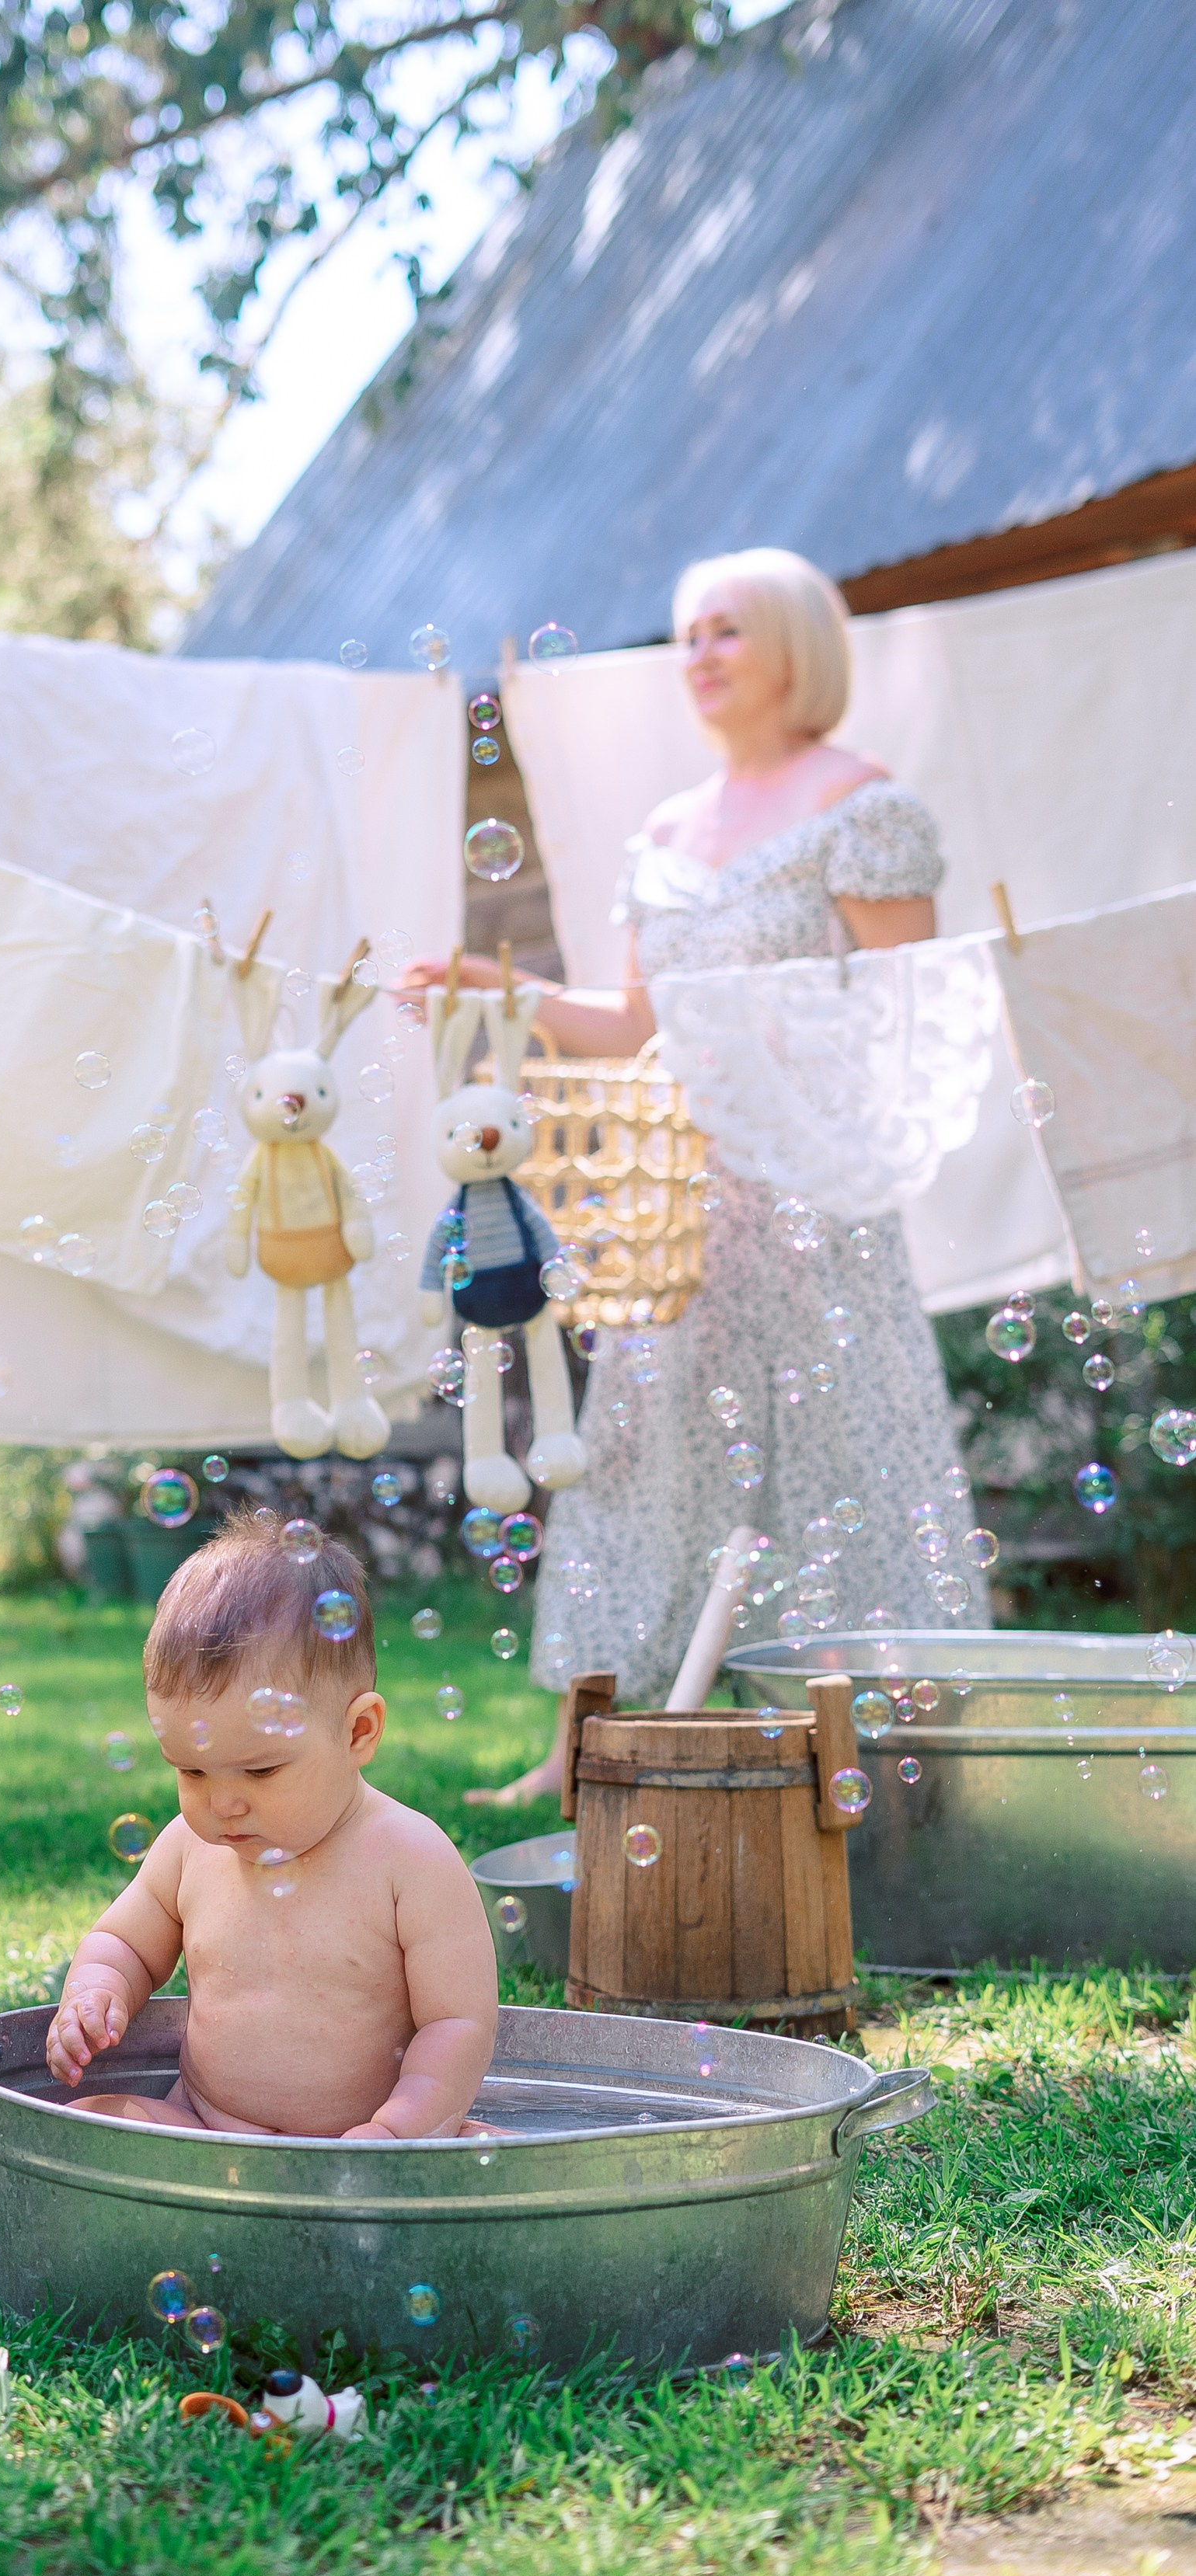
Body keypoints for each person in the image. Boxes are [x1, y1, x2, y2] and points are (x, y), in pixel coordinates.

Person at [403, 548, 987, 1802]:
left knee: (841, 1461)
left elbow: (904, 1017)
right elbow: (628, 1022)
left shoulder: (861, 805)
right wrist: (494, 988)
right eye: (687, 634)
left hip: (815, 1199)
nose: (700, 655)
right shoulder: (663, 832)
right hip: (676, 1207)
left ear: (794, 646)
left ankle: (894, 1744)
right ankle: (581, 1745)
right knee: (630, 1460)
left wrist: (783, 1050)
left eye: (728, 629)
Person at [45, 1511, 498, 2138]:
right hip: (208, 2125)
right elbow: (123, 1943)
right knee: (86, 2121)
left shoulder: (409, 1858)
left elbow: (456, 2024)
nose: (222, 1804)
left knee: (480, 2150)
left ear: (357, 1731)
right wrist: (94, 1990)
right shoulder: (187, 1849)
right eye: (192, 1772)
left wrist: (400, 2130)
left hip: (362, 2143)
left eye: (259, 1772)